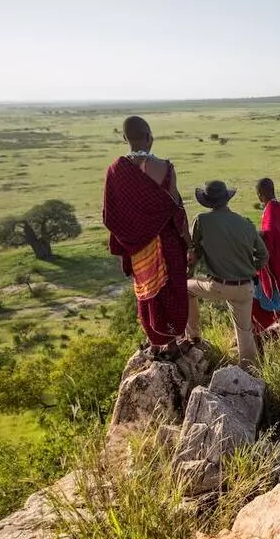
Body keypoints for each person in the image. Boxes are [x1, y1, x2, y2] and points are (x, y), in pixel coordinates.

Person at [102, 116, 191, 359]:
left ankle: (154, 341)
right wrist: (189, 243)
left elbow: (111, 216)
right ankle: (172, 342)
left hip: (139, 247)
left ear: (125, 139)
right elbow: (176, 209)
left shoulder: (114, 170)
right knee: (172, 294)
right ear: (150, 136)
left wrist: (130, 238)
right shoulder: (165, 167)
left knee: (147, 295)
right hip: (167, 243)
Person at [185, 180, 268, 367]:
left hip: (219, 286)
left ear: (207, 201)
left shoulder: (202, 220)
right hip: (246, 287)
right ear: (226, 199)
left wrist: (189, 273)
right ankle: (249, 372)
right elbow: (263, 256)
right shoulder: (245, 223)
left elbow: (195, 252)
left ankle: (193, 337)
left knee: (185, 289)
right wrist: (249, 269)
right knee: (244, 331)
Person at [252, 178, 280, 341]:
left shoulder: (270, 209)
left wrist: (256, 235)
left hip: (276, 262)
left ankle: (258, 332)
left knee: (263, 296)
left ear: (259, 194)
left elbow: (270, 233)